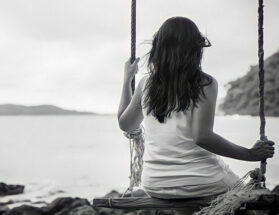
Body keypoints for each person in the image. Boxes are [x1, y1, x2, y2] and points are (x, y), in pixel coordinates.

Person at [117, 16, 275, 213]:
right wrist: (250, 154)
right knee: (245, 193)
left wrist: (127, 80)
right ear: (195, 49)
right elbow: (202, 137)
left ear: (159, 48)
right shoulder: (205, 83)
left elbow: (126, 125)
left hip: (155, 183)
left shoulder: (145, 85)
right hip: (199, 181)